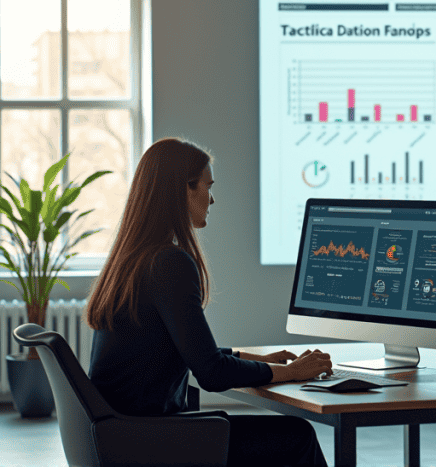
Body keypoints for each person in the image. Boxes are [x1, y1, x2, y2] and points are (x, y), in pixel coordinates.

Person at [86, 137, 333, 467]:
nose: (212, 198)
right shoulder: (168, 263)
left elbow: (177, 348)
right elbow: (211, 373)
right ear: (183, 190)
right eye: (207, 185)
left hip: (123, 436)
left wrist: (252, 358)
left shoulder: (133, 260)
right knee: (297, 436)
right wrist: (290, 372)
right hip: (151, 439)